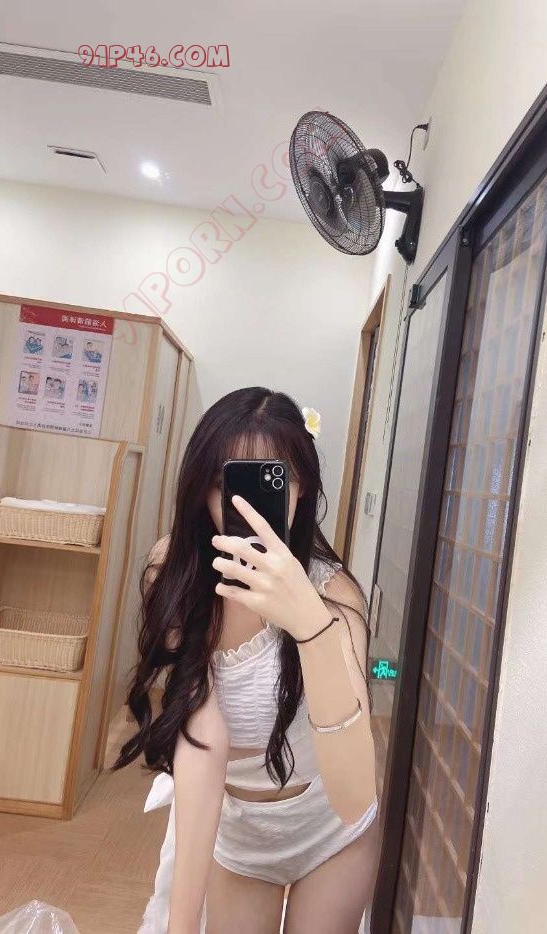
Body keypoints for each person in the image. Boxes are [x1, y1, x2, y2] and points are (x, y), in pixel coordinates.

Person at [112, 387, 379, 933]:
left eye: (272, 481)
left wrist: (310, 625)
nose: (246, 508)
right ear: (202, 489)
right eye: (227, 482)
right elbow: (202, 746)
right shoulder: (177, 574)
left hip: (331, 830)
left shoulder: (334, 595)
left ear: (300, 489)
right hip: (238, 834)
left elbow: (354, 794)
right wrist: (180, 925)